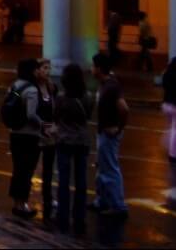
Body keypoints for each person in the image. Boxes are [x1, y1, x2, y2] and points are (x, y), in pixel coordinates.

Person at [54, 63, 94, 236]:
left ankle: (63, 215)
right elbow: (89, 116)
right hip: (82, 141)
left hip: (64, 140)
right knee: (81, 180)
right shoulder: (88, 97)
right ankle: (79, 216)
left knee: (63, 180)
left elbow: (55, 117)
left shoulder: (62, 98)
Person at [91, 52, 129, 217]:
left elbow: (124, 109)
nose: (91, 69)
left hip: (109, 133)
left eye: (93, 66)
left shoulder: (111, 86)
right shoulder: (105, 83)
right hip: (103, 132)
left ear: (99, 68)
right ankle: (102, 200)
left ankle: (118, 206)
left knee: (110, 169)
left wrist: (119, 128)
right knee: (102, 167)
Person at [8, 58, 45, 218]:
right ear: (31, 71)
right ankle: (22, 205)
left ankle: (16, 202)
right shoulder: (32, 90)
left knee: (17, 169)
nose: (38, 72)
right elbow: (31, 114)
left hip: (15, 133)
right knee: (27, 171)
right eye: (36, 69)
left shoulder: (15, 85)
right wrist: (43, 125)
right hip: (29, 135)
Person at [35, 58, 58, 224]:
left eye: (49, 68)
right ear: (38, 70)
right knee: (32, 166)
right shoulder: (33, 88)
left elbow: (55, 109)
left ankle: (48, 197)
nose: (47, 71)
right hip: (37, 132)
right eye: (44, 68)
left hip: (50, 134)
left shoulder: (51, 88)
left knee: (49, 169)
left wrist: (55, 126)